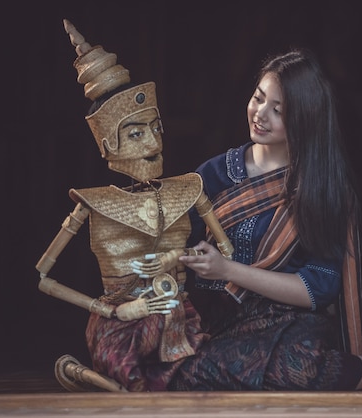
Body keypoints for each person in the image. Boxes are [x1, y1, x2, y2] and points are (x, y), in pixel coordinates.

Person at [157, 49, 362, 392]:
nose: (260, 114)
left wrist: (228, 271)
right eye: (258, 99)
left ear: (304, 118)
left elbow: (318, 288)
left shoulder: (319, 188)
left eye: (279, 110)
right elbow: (173, 243)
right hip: (223, 326)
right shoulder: (214, 175)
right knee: (183, 371)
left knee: (298, 368)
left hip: (290, 323)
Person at [36, 20, 233, 392]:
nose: (152, 142)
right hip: (121, 324)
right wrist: (113, 310)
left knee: (204, 374)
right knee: (129, 376)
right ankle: (95, 375)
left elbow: (225, 250)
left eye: (156, 128)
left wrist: (178, 258)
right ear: (108, 146)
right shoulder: (92, 204)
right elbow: (43, 278)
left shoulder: (189, 188)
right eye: (136, 133)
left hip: (179, 322)